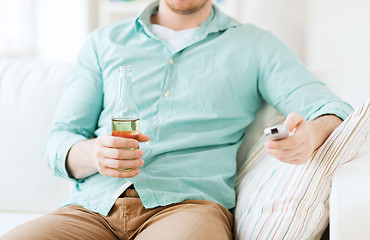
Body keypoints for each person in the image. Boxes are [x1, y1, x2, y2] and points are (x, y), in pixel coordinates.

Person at [1, 0, 353, 239]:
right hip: (91, 210)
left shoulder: (255, 45)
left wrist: (311, 135)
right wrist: (93, 154)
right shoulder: (104, 43)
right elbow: (59, 141)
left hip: (188, 209)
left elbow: (332, 108)